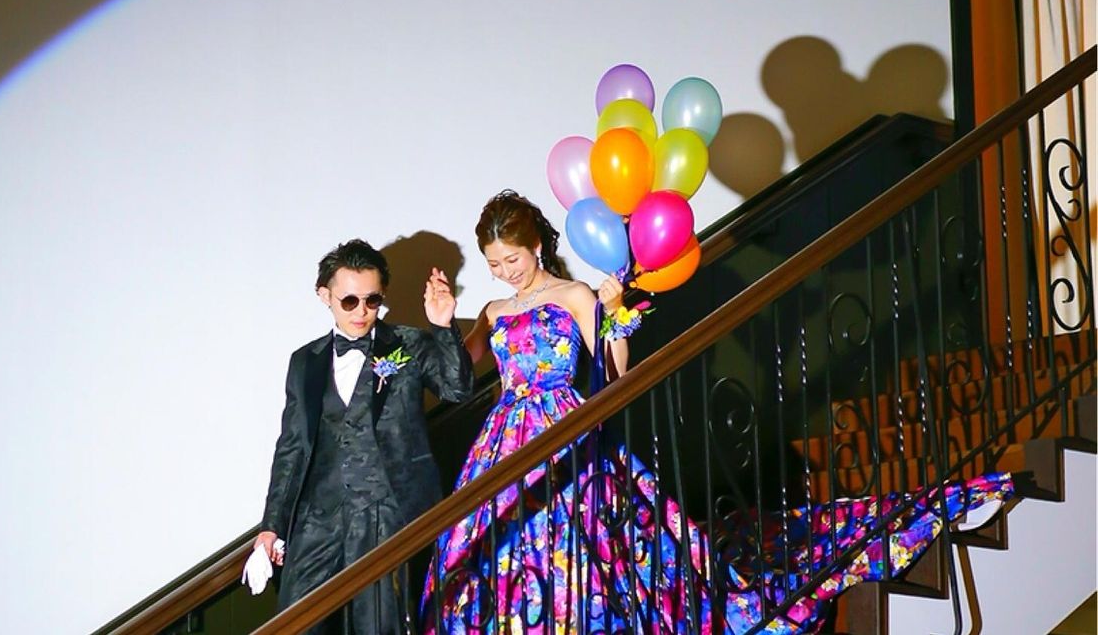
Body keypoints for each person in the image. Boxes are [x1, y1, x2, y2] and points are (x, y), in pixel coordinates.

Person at [420, 191, 1014, 635]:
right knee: (498, 540)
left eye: (511, 259)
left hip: (563, 426)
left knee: (584, 539)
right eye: (494, 264)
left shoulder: (575, 295)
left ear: (536, 246)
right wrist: (444, 323)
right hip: (504, 437)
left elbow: (615, 374)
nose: (504, 272)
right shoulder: (494, 312)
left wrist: (615, 316)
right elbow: (454, 374)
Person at [254, 239, 476, 634]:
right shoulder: (305, 362)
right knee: (296, 622)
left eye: (372, 300)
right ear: (325, 296)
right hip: (317, 520)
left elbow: (457, 389)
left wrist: (443, 327)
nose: (362, 311)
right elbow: (291, 447)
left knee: (379, 625)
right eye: (349, 301)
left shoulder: (408, 344)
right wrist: (271, 527)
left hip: (387, 513)